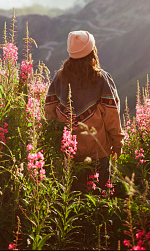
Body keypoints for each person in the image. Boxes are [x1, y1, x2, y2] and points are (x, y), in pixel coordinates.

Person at [45, 30, 124, 193]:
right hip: (98, 153)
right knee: (100, 198)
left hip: (68, 154)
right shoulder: (102, 79)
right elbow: (112, 116)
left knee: (73, 199)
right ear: (92, 52)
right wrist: (118, 143)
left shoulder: (58, 79)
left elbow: (49, 114)